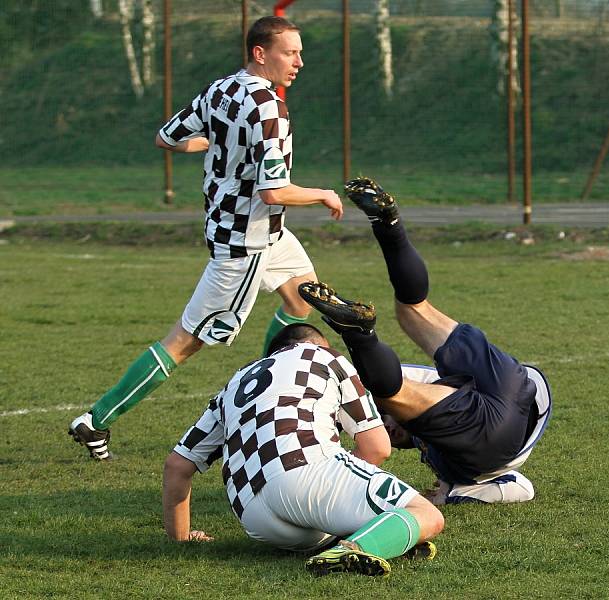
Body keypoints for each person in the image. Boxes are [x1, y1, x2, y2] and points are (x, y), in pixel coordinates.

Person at [68, 16, 344, 460]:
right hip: (246, 244)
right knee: (184, 342)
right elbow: (274, 191)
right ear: (260, 53)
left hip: (260, 232)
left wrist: (218, 144)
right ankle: (95, 420)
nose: (300, 62)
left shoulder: (220, 89)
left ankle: (269, 394)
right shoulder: (270, 108)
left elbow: (168, 138)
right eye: (290, 53)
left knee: (303, 300)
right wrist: (324, 194)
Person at [298, 177, 552, 505]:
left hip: (508, 398)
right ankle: (385, 233)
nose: (388, 428)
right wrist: (454, 492)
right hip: (509, 397)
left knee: (404, 339)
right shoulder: (442, 441)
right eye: (386, 426)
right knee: (410, 325)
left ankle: (383, 238)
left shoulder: (439, 434)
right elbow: (522, 487)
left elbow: (370, 386)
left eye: (383, 423)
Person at [162, 323, 444, 577]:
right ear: (318, 343)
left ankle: (375, 536)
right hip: (303, 471)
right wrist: (338, 484)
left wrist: (181, 538)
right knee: (426, 514)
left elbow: (177, 465)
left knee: (339, 511)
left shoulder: (233, 385)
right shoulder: (325, 357)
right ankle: (357, 546)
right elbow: (378, 447)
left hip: (253, 516)